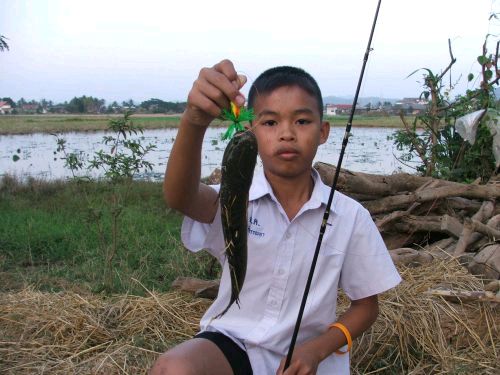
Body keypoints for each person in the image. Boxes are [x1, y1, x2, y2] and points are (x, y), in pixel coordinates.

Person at [151, 59, 401, 375]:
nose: (286, 134)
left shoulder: (351, 217)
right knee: (172, 368)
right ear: (249, 130)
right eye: (270, 122)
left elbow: (366, 307)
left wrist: (317, 350)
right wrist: (194, 120)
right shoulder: (232, 199)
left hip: (307, 361)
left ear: (323, 132)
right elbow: (180, 196)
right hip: (234, 343)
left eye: (301, 121)